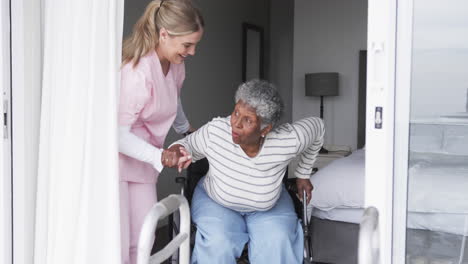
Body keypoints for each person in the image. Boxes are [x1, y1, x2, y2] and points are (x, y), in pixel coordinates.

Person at [162, 79, 324, 264]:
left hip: (269, 207)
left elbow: (318, 127)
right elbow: (188, 144)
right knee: (219, 243)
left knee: (277, 241)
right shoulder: (216, 132)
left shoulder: (289, 140)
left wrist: (304, 173)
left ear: (266, 129)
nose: (236, 124)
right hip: (217, 201)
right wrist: (176, 149)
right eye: (236, 113)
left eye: (248, 120)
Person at [118, 0, 204, 263]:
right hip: (118, 163)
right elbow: (117, 135)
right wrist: (161, 156)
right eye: (187, 45)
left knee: (144, 240)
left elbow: (173, 98)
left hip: (145, 162)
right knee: (120, 243)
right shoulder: (136, 72)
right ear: (164, 34)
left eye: (195, 44)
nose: (192, 52)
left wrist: (186, 132)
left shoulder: (175, 64)